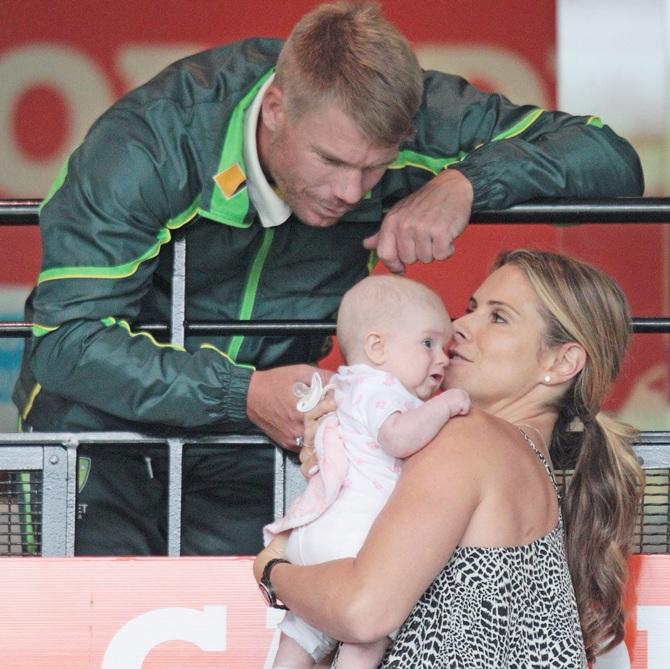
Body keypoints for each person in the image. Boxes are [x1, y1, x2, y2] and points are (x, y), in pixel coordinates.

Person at [13, 1, 644, 556]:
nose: (350, 191)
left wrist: (468, 182)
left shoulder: (421, 116)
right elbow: (67, 343)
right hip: (100, 428)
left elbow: (609, 157)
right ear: (278, 108)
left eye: (376, 168)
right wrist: (239, 393)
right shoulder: (148, 143)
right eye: (331, 160)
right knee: (92, 621)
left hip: (263, 436)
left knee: (258, 619)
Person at [255, 249, 645, 668]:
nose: (459, 326)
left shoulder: (467, 436)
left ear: (562, 361)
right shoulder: (523, 460)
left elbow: (363, 611)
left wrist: (273, 571)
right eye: (471, 309)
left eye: (498, 317)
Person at [263, 275, 470, 668]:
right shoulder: (381, 390)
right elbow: (396, 438)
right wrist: (446, 406)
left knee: (301, 636)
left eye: (444, 348)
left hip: (316, 538)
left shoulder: (348, 385)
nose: (442, 358)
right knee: (371, 629)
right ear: (376, 346)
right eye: (428, 343)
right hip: (356, 539)